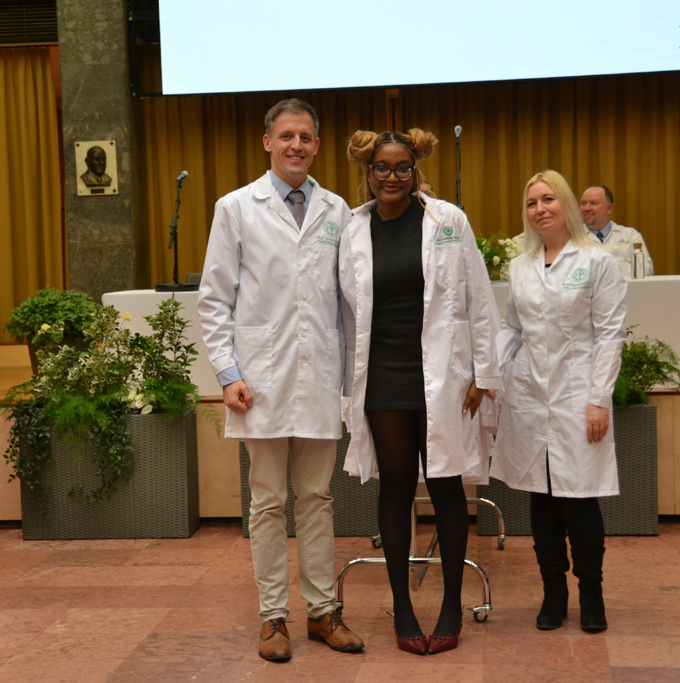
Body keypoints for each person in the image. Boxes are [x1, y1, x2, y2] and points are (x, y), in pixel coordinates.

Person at [197, 98, 364, 662]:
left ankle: (321, 612)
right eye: (287, 135)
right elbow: (215, 298)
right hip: (259, 380)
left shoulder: (338, 210)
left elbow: (348, 303)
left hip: (319, 376)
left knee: (317, 497)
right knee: (267, 501)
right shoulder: (236, 207)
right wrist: (228, 374)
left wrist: (351, 380)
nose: (297, 145)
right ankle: (273, 618)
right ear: (268, 141)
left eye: (306, 137)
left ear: (317, 145)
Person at [341, 129, 500, 655]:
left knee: (448, 486)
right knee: (395, 486)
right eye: (382, 167)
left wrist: (483, 373)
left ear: (415, 170)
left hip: (443, 374)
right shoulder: (352, 228)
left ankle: (451, 604)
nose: (392, 176)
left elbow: (479, 296)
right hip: (382, 375)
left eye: (402, 167)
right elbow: (343, 311)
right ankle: (403, 607)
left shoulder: (447, 220)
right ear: (367, 171)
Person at [492, 170, 626, 633]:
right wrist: (491, 372)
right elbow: (512, 327)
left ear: (565, 204)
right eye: (532, 203)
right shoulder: (521, 266)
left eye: (548, 199)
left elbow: (610, 335)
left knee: (580, 500)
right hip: (530, 395)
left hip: (577, 395)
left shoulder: (597, 262)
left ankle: (591, 591)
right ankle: (553, 591)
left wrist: (599, 399)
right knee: (542, 498)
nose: (540, 209)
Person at [580, 185, 654, 278]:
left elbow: (646, 269)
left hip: (627, 287)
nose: (586, 208)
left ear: (609, 208)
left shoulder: (631, 235)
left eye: (593, 203)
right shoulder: (571, 237)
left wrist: (613, 271)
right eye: (583, 203)